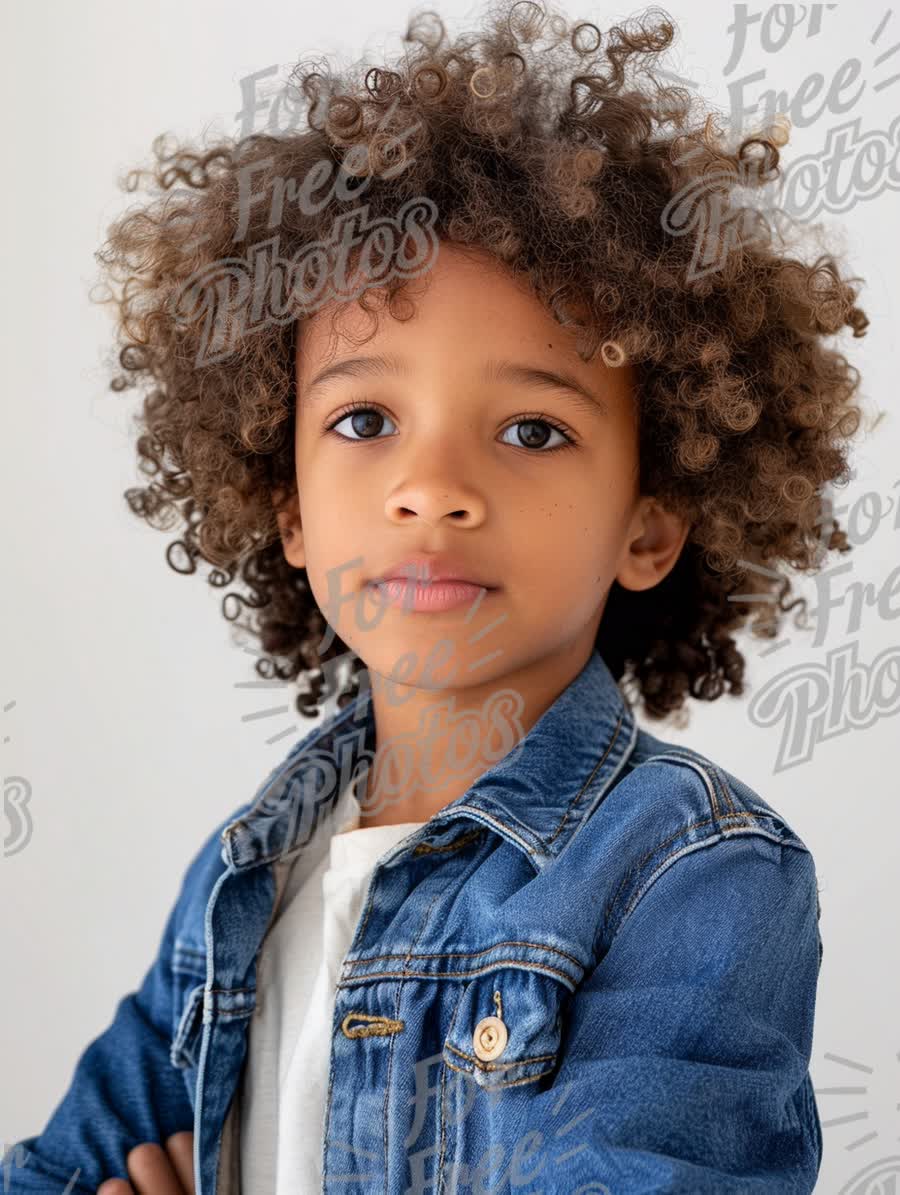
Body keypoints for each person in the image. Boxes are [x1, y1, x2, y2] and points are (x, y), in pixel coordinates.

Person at [3, 0, 870, 1191]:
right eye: (364, 420)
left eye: (531, 428)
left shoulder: (695, 873)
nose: (433, 489)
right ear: (290, 509)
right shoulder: (248, 870)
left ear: (652, 521)